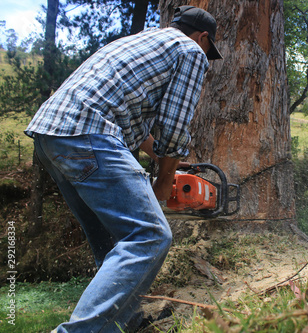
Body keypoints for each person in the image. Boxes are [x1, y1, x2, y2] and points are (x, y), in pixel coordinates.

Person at [25, 5, 222, 332]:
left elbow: (133, 121)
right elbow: (173, 128)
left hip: (51, 136)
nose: (205, 54)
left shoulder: (141, 42)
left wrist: (160, 158)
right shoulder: (190, 51)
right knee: (151, 234)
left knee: (113, 245)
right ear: (203, 37)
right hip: (89, 134)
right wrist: (163, 183)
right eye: (207, 47)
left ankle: (126, 323)